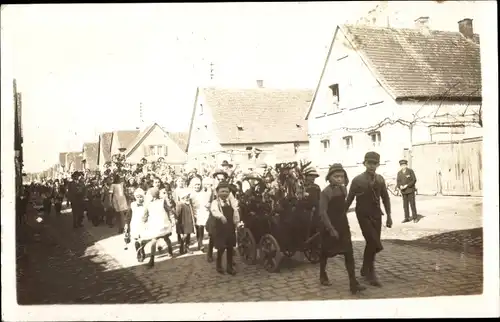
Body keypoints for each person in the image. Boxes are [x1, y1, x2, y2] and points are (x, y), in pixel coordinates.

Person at [346, 152, 393, 287]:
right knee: (373, 242)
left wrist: (389, 216)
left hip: (376, 215)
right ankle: (371, 272)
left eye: (374, 163)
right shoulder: (357, 180)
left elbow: (386, 198)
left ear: (378, 164)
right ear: (364, 163)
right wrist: (341, 214)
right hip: (363, 215)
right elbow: (349, 199)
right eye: (369, 163)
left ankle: (365, 268)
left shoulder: (380, 180)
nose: (372, 166)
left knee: (371, 244)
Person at [319, 164, 366, 294]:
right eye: (336, 176)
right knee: (325, 253)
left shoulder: (343, 190)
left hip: (343, 225)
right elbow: (322, 213)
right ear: (329, 178)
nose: (339, 179)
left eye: (342, 176)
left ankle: (353, 283)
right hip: (329, 226)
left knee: (349, 253)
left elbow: (342, 208)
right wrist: (330, 229)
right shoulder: (325, 192)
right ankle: (322, 274)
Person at [210, 181, 240, 275]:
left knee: (230, 247)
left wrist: (237, 222)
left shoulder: (231, 202)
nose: (224, 194)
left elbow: (235, 212)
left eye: (226, 192)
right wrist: (221, 216)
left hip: (230, 227)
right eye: (222, 191)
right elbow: (214, 210)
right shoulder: (215, 202)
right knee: (221, 247)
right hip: (220, 228)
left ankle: (229, 267)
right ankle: (219, 265)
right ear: (218, 193)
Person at [141, 187, 174, 268]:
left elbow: (169, 210)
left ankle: (170, 250)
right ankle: (151, 260)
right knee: (154, 240)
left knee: (166, 238)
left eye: (154, 194)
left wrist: (172, 219)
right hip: (154, 224)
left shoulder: (162, 201)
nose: (152, 196)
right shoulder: (148, 204)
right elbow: (145, 215)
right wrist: (143, 222)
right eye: (151, 194)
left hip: (163, 223)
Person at [189, 177, 212, 252]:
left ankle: (211, 242)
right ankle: (200, 243)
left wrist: (209, 188)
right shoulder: (190, 194)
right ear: (192, 185)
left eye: (198, 185)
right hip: (195, 213)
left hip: (203, 212)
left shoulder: (203, 193)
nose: (197, 186)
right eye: (195, 185)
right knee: (199, 229)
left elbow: (209, 196)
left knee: (207, 227)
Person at [175, 189, 196, 255]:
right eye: (186, 197)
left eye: (188, 197)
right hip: (183, 222)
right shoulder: (180, 204)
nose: (187, 198)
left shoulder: (189, 204)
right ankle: (181, 247)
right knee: (185, 235)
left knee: (188, 235)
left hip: (189, 222)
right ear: (183, 197)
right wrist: (178, 221)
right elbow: (177, 214)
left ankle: (187, 248)